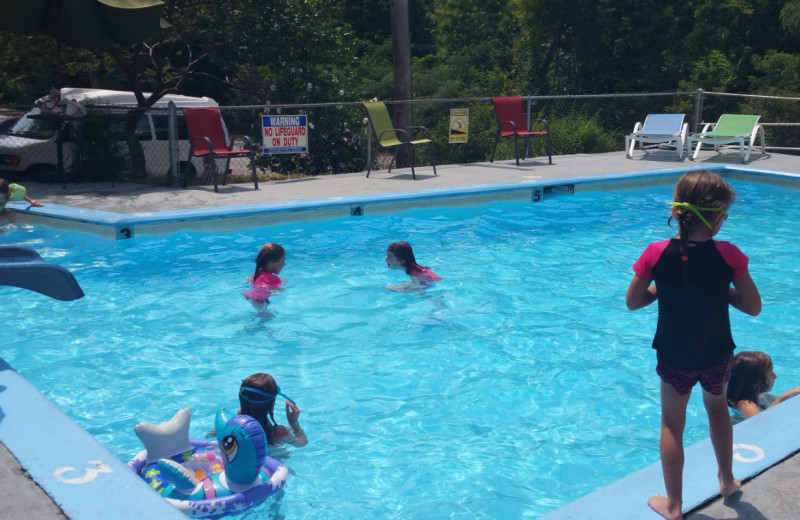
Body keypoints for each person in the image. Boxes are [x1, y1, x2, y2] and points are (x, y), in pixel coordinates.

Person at [626, 170, 762, 520]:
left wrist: (660, 289)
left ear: (679, 213)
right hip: (717, 354)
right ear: (716, 218)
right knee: (717, 410)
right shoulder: (730, 254)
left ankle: (673, 506)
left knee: (672, 423)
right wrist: (721, 291)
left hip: (674, 355)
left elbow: (634, 301)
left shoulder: (655, 253)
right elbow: (752, 307)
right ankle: (728, 481)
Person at [727, 350, 800, 421]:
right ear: (757, 381)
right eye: (770, 373)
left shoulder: (762, 396)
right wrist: (783, 397)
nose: (775, 376)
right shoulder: (745, 404)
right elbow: (760, 423)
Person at [238, 373, 307, 447]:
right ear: (271, 403)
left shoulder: (240, 417)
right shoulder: (279, 432)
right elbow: (302, 443)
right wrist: (294, 424)